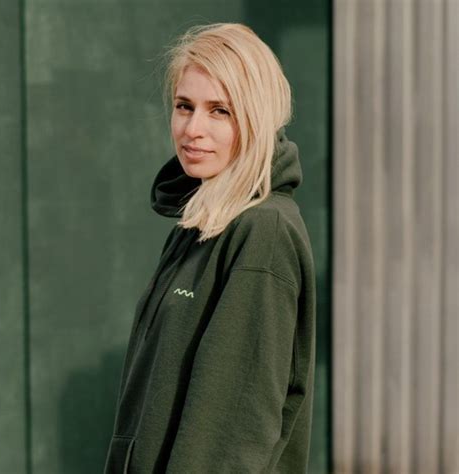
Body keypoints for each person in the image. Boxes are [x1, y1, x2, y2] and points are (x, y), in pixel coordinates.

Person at [104, 22, 316, 474]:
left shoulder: (264, 231)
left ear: (256, 117)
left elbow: (235, 427)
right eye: (184, 106)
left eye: (220, 111)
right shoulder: (200, 224)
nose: (192, 129)